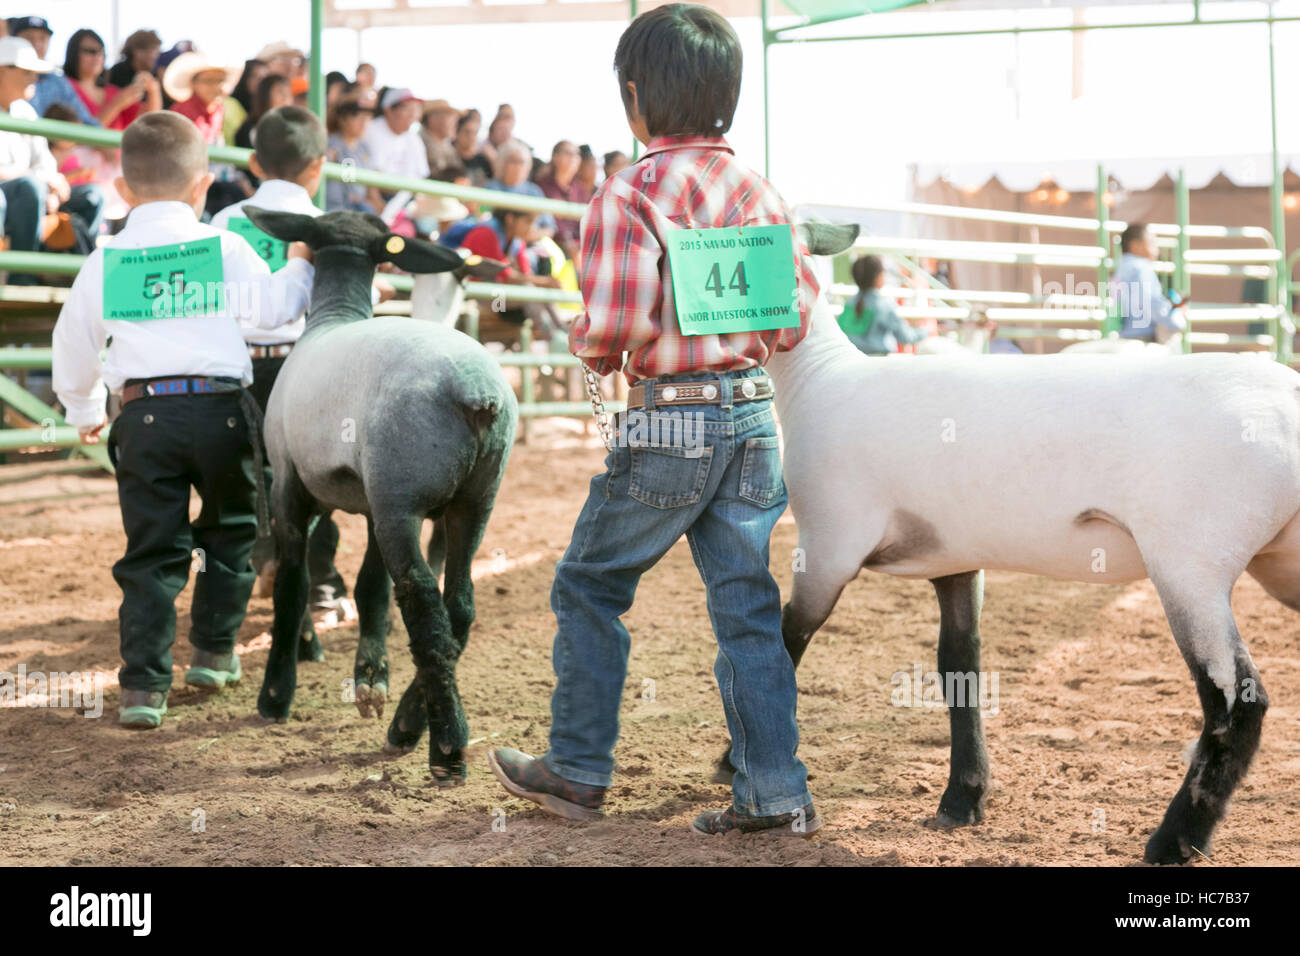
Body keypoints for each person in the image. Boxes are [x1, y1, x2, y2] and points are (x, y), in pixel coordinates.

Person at [487, 3, 821, 836]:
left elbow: (616, 325)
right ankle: (773, 790)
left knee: (590, 585)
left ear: (634, 100)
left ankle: (576, 768)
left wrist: (588, 345)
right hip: (750, 417)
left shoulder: (628, 191)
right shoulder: (761, 192)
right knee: (747, 604)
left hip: (670, 420)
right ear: (730, 98)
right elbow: (791, 320)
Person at [50, 111, 315, 728]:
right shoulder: (222, 246)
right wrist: (301, 260)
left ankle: (143, 687)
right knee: (229, 533)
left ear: (121, 188)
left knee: (152, 549)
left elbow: (75, 343)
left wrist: (85, 409)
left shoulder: (107, 257)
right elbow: (273, 313)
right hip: (221, 412)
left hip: (143, 418)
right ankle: (214, 653)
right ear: (202, 188)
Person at [211, 106, 355, 621]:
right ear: (320, 164)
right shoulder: (325, 226)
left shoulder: (224, 221)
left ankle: (262, 560)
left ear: (253, 161)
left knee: (245, 474)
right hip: (304, 368)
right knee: (311, 478)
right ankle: (321, 589)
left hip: (235, 369)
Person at [0, 37, 106, 278]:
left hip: (33, 194)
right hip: (16, 197)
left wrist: (52, 186)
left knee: (92, 196)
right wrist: (42, 181)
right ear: (3, 71)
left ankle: (77, 278)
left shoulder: (25, 111)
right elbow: (33, 175)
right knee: (30, 187)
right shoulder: (25, 112)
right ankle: (23, 278)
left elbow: (45, 164)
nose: (34, 78)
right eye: (28, 71)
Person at [164, 51, 243, 215]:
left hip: (213, 180)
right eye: (209, 81)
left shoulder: (219, 110)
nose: (217, 87)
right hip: (187, 182)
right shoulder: (182, 111)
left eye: (220, 81)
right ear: (194, 83)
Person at [63, 28, 160, 131]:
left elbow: (149, 122)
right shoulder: (62, 87)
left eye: (101, 52)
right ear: (74, 53)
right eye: (90, 51)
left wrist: (153, 90)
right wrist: (117, 104)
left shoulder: (113, 91)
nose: (97, 56)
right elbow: (81, 134)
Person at [9, 16, 98, 125]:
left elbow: (88, 123)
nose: (36, 44)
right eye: (28, 37)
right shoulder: (5, 74)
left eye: (42, 38)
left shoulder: (58, 81)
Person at [1115, 222, 1187, 344]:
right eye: (1152, 243)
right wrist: (1176, 317)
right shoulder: (1142, 267)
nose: (1156, 250)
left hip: (1125, 335)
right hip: (1143, 338)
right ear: (1135, 246)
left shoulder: (1121, 268)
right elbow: (1152, 304)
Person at [840, 254, 924, 355]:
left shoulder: (849, 303)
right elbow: (905, 337)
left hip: (851, 358)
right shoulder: (884, 305)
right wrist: (925, 332)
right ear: (877, 277)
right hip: (878, 360)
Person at [534, 139, 591, 261]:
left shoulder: (580, 188)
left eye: (576, 154)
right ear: (555, 157)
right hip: (552, 245)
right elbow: (550, 222)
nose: (573, 158)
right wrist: (569, 244)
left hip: (578, 247)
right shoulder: (542, 186)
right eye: (568, 153)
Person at [325, 96, 382, 213]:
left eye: (367, 119)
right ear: (343, 120)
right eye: (358, 118)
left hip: (358, 207)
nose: (364, 124)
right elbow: (347, 182)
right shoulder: (331, 145)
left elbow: (370, 187)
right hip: (335, 209)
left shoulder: (364, 147)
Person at [485, 141, 554, 235]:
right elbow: (483, 218)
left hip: (531, 243)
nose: (518, 166)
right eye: (513, 161)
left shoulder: (534, 191)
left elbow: (550, 228)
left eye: (522, 162)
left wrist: (533, 235)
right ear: (502, 163)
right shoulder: (490, 188)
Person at [362, 87, 428, 185]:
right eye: (406, 108)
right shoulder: (370, 130)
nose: (412, 114)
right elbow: (374, 179)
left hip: (406, 194)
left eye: (415, 109)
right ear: (388, 110)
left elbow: (421, 175)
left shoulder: (413, 138)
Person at [224, 58, 268, 145]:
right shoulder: (229, 104)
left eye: (264, 78)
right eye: (256, 76)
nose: (260, 82)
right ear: (246, 77)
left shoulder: (267, 108)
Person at [419, 99, 460, 179]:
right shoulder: (418, 143)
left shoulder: (448, 147)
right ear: (432, 118)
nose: (455, 124)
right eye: (450, 117)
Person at [453, 109, 492, 187]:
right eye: (467, 132)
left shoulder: (483, 159)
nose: (471, 137)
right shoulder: (449, 157)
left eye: (475, 133)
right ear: (457, 133)